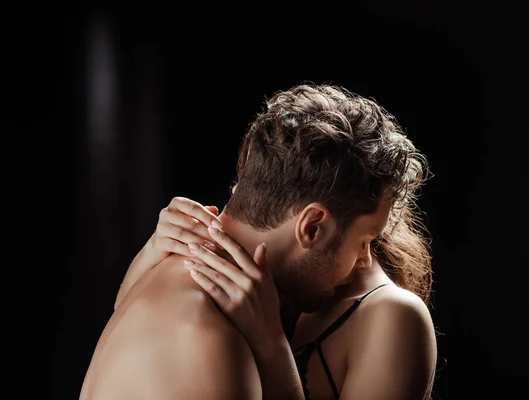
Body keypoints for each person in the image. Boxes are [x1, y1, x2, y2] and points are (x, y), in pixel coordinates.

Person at [80, 84, 437, 399]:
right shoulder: (211, 337)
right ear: (311, 227)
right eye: (365, 240)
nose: (364, 260)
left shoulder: (164, 277)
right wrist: (272, 348)